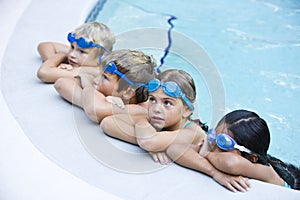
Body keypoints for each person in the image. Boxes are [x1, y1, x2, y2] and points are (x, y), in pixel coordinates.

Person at [167, 109, 300, 192]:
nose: (213, 143)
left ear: (251, 157)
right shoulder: (214, 147)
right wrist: (215, 173)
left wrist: (205, 153)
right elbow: (174, 149)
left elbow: (231, 164)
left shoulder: (262, 169)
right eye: (214, 135)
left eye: (224, 142)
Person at [100, 69, 207, 164]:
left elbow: (148, 141)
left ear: (187, 110)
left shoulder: (193, 132)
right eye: (152, 99)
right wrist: (155, 146)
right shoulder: (155, 117)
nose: (156, 109)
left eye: (167, 103)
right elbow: (107, 123)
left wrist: (151, 141)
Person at [54, 49, 156, 123]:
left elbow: (93, 110)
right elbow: (61, 83)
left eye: (105, 77)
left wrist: (87, 85)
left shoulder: (145, 108)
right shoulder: (119, 86)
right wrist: (100, 101)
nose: (95, 80)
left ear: (128, 92)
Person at [37, 21, 115, 83]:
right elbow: (45, 46)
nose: (72, 54)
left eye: (82, 52)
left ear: (101, 57)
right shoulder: (82, 54)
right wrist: (58, 63)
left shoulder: (93, 70)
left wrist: (60, 56)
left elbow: (44, 73)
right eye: (72, 47)